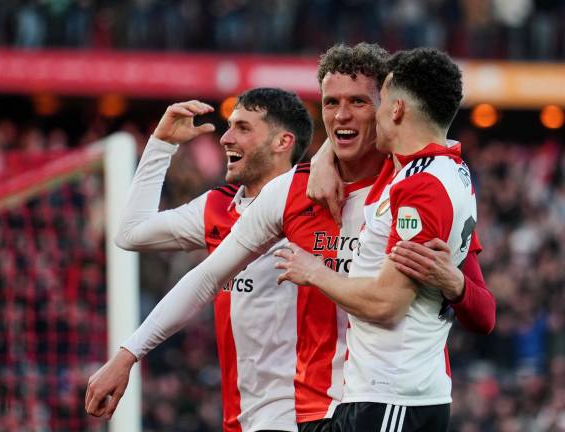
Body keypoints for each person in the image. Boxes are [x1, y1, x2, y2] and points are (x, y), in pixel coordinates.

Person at [86, 44, 494, 432]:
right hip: (305, 411)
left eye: (358, 102)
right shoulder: (292, 192)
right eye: (331, 103)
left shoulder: (413, 185)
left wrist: (455, 284)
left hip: (385, 401)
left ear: (388, 108)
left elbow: (483, 312)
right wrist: (128, 354)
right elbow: (207, 276)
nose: (342, 116)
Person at [275, 48, 481, 431]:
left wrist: (315, 272)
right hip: (395, 396)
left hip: (392, 395)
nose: (370, 113)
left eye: (377, 102)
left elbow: (387, 304)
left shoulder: (421, 187)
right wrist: (325, 154)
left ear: (397, 110)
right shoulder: (449, 170)